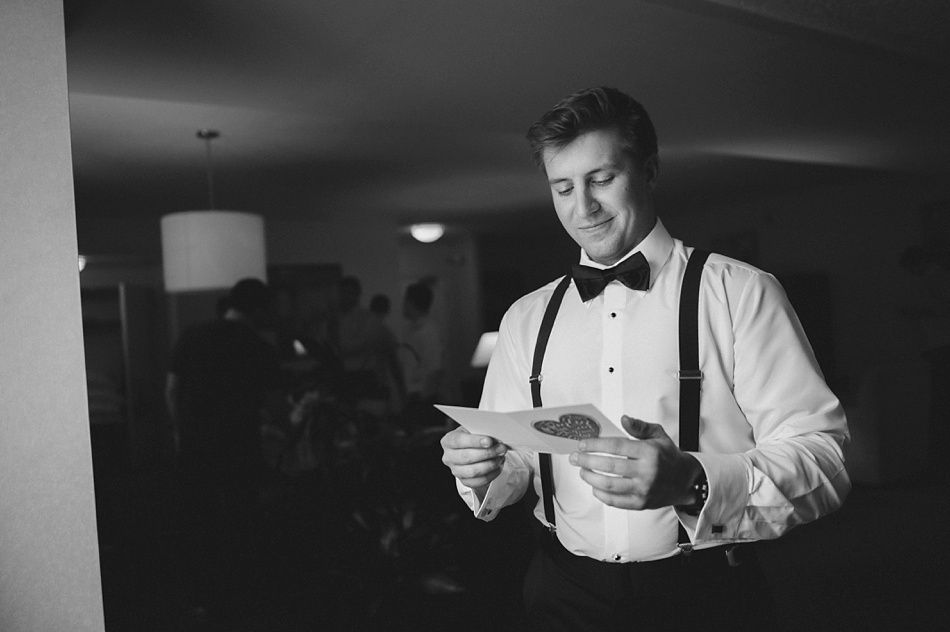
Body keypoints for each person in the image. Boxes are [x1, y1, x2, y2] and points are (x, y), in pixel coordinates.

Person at [440, 87, 851, 631]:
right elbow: (519, 459)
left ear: (649, 170)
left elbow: (826, 460)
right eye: (562, 187)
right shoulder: (524, 318)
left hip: (704, 593)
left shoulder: (739, 292)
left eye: (601, 179)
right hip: (561, 592)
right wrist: (482, 469)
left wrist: (693, 483)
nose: (581, 208)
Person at [164, 277, 283, 620]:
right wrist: (287, 428)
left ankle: (198, 597)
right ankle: (240, 599)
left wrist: (179, 430)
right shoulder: (259, 347)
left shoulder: (192, 335)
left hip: (194, 444)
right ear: (258, 308)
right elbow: (276, 406)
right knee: (239, 519)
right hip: (238, 447)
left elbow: (171, 389)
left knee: (196, 520)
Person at [400, 281, 445, 426]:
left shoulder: (428, 331)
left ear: (411, 302)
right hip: (412, 393)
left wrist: (424, 398)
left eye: (405, 301)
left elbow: (435, 366)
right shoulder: (410, 329)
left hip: (423, 397)